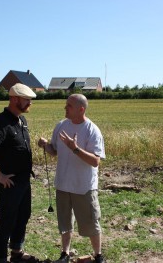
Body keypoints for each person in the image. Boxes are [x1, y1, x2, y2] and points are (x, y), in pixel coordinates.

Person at [38, 94, 106, 263]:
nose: (64, 108)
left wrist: (75, 148)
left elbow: (95, 161)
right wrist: (45, 145)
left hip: (84, 187)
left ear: (81, 109)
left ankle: (98, 255)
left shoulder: (92, 130)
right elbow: (54, 151)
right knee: (65, 223)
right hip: (62, 185)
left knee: (91, 223)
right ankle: (65, 254)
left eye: (68, 105)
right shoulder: (61, 126)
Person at [0, 83, 39, 263]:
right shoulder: (1, 122)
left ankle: (17, 253)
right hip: (9, 182)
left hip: (24, 180)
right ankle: (0, 258)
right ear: (14, 99)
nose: (30, 103)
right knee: (7, 221)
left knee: (23, 215)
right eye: (26, 99)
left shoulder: (21, 120)